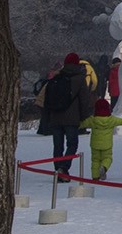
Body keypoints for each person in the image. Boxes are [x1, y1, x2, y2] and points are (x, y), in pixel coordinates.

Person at [38, 51, 91, 181]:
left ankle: (58, 169)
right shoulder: (79, 78)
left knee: (58, 145)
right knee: (72, 144)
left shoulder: (57, 77)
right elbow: (84, 100)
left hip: (56, 117)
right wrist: (84, 117)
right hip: (72, 118)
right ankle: (64, 168)